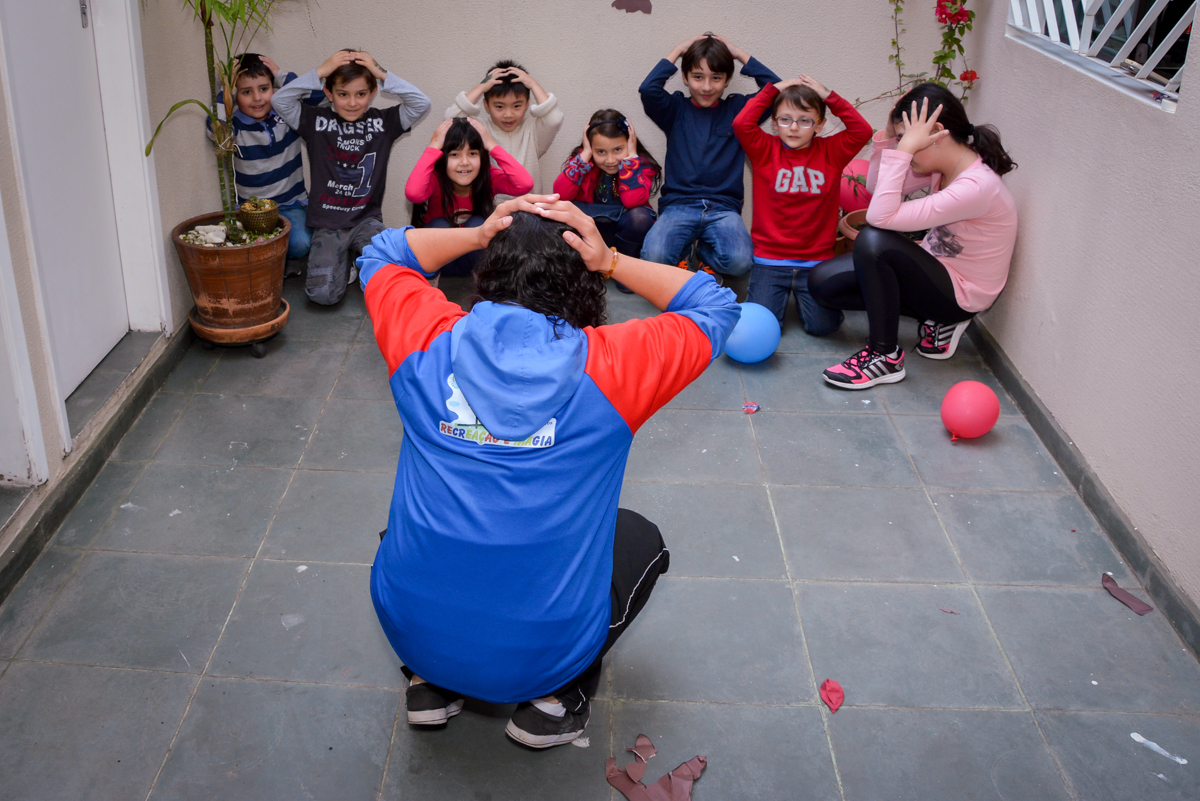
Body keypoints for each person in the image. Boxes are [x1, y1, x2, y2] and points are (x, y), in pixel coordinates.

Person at [356, 195, 740, 749]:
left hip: (412, 632)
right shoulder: (615, 364)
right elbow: (715, 305)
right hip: (538, 654)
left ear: (491, 271)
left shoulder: (425, 339)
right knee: (637, 536)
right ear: (579, 281)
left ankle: (431, 681)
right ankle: (554, 701)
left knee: (416, 529)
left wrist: (477, 233)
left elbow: (384, 253)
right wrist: (610, 260)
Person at [809, 84, 1018, 388]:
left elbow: (879, 217)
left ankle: (885, 356)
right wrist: (889, 133)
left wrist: (905, 150)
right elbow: (875, 186)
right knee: (822, 284)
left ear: (936, 134)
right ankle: (936, 322)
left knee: (873, 241)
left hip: (959, 294)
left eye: (905, 141)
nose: (901, 149)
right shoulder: (942, 166)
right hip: (934, 272)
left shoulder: (977, 187)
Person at [272, 49, 430, 305]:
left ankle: (360, 261)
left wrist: (381, 73)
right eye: (343, 94)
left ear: (372, 93)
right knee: (322, 296)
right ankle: (344, 262)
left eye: (361, 94)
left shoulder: (383, 122)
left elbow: (421, 103)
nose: (352, 102)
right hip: (328, 221)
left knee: (386, 289)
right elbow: (281, 101)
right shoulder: (315, 122)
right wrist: (321, 72)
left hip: (366, 219)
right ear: (329, 93)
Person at [733, 74, 872, 334]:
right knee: (763, 329)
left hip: (816, 263)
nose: (794, 127)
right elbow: (742, 124)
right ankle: (778, 298)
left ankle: (812, 304)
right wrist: (772, 90)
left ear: (819, 125)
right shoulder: (764, 149)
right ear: (775, 124)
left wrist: (828, 96)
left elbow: (862, 131)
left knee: (822, 328)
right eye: (785, 119)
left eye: (804, 120)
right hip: (770, 261)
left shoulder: (832, 152)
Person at [638, 33, 780, 283]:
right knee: (653, 257)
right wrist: (679, 49)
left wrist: (737, 53)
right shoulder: (675, 110)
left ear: (726, 81)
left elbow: (776, 91)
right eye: (697, 77)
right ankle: (684, 252)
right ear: (684, 77)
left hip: (723, 209)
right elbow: (648, 89)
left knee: (740, 263)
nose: (706, 87)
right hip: (678, 205)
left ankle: (705, 253)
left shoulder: (738, 112)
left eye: (716, 78)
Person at [207, 53, 323, 261]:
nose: (257, 98)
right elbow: (212, 127)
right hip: (250, 211)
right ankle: (271, 260)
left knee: (300, 244)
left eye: (264, 88)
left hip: (290, 205)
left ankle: (278, 260)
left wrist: (282, 76)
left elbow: (321, 98)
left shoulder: (287, 115)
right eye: (246, 92)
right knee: (238, 246)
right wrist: (227, 90)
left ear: (274, 88)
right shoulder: (234, 128)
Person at [404, 118, 534, 280]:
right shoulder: (436, 179)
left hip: (472, 263)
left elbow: (525, 184)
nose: (464, 162)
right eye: (455, 154)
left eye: (472, 153)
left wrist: (492, 146)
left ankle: (483, 281)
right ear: (443, 157)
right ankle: (433, 283)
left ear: (482, 155)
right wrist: (433, 148)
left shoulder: (487, 178)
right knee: (439, 225)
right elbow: (413, 193)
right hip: (438, 264)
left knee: (479, 223)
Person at [553, 109, 661, 293]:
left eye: (618, 149)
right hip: (591, 232)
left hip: (622, 235)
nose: (610, 159)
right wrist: (585, 155)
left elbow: (633, 201)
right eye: (600, 151)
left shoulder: (640, 166)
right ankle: (586, 268)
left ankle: (625, 270)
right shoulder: (582, 162)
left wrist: (630, 161)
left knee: (640, 217)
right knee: (561, 212)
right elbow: (560, 194)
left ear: (630, 143)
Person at [445, 60, 563, 194]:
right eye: (499, 106)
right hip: (492, 209)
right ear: (487, 105)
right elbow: (451, 120)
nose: (508, 114)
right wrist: (482, 86)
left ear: (527, 104)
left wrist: (533, 84)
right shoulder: (481, 128)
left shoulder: (533, 130)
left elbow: (554, 119)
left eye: (517, 106)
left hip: (530, 207)